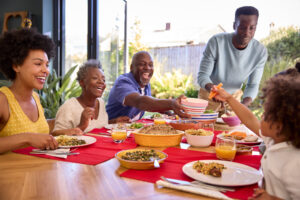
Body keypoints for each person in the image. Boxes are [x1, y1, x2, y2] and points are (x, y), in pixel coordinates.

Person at [212, 66, 300, 200]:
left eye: (267, 113)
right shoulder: (275, 139)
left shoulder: (295, 163)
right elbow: (250, 120)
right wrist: (229, 98)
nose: (262, 115)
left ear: (279, 126)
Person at [197, 6, 268, 113]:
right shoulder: (216, 42)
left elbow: (253, 85)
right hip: (209, 95)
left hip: (234, 99)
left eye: (252, 28)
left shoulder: (260, 51)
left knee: (233, 129)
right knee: (204, 129)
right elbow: (203, 76)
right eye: (242, 27)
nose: (247, 32)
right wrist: (215, 91)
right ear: (234, 25)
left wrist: (242, 106)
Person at [0, 28, 58, 153]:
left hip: (39, 171)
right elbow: (29, 136)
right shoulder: (2, 99)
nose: (46, 70)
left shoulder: (35, 97)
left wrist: (61, 132)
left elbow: (36, 130)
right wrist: (27, 138)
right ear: (16, 66)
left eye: (47, 65)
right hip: (10, 172)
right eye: (38, 64)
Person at [106, 51, 190, 121]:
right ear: (132, 67)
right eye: (142, 64)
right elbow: (141, 102)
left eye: (150, 65)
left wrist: (170, 113)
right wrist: (171, 103)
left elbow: (151, 104)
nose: (147, 68)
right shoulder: (123, 82)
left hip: (129, 129)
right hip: (109, 130)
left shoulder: (145, 84)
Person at [53, 59, 129, 134]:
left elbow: (97, 127)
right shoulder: (68, 107)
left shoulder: (101, 102)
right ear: (82, 83)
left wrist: (114, 122)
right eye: (95, 78)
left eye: (103, 80)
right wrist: (81, 126)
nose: (101, 82)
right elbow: (55, 135)